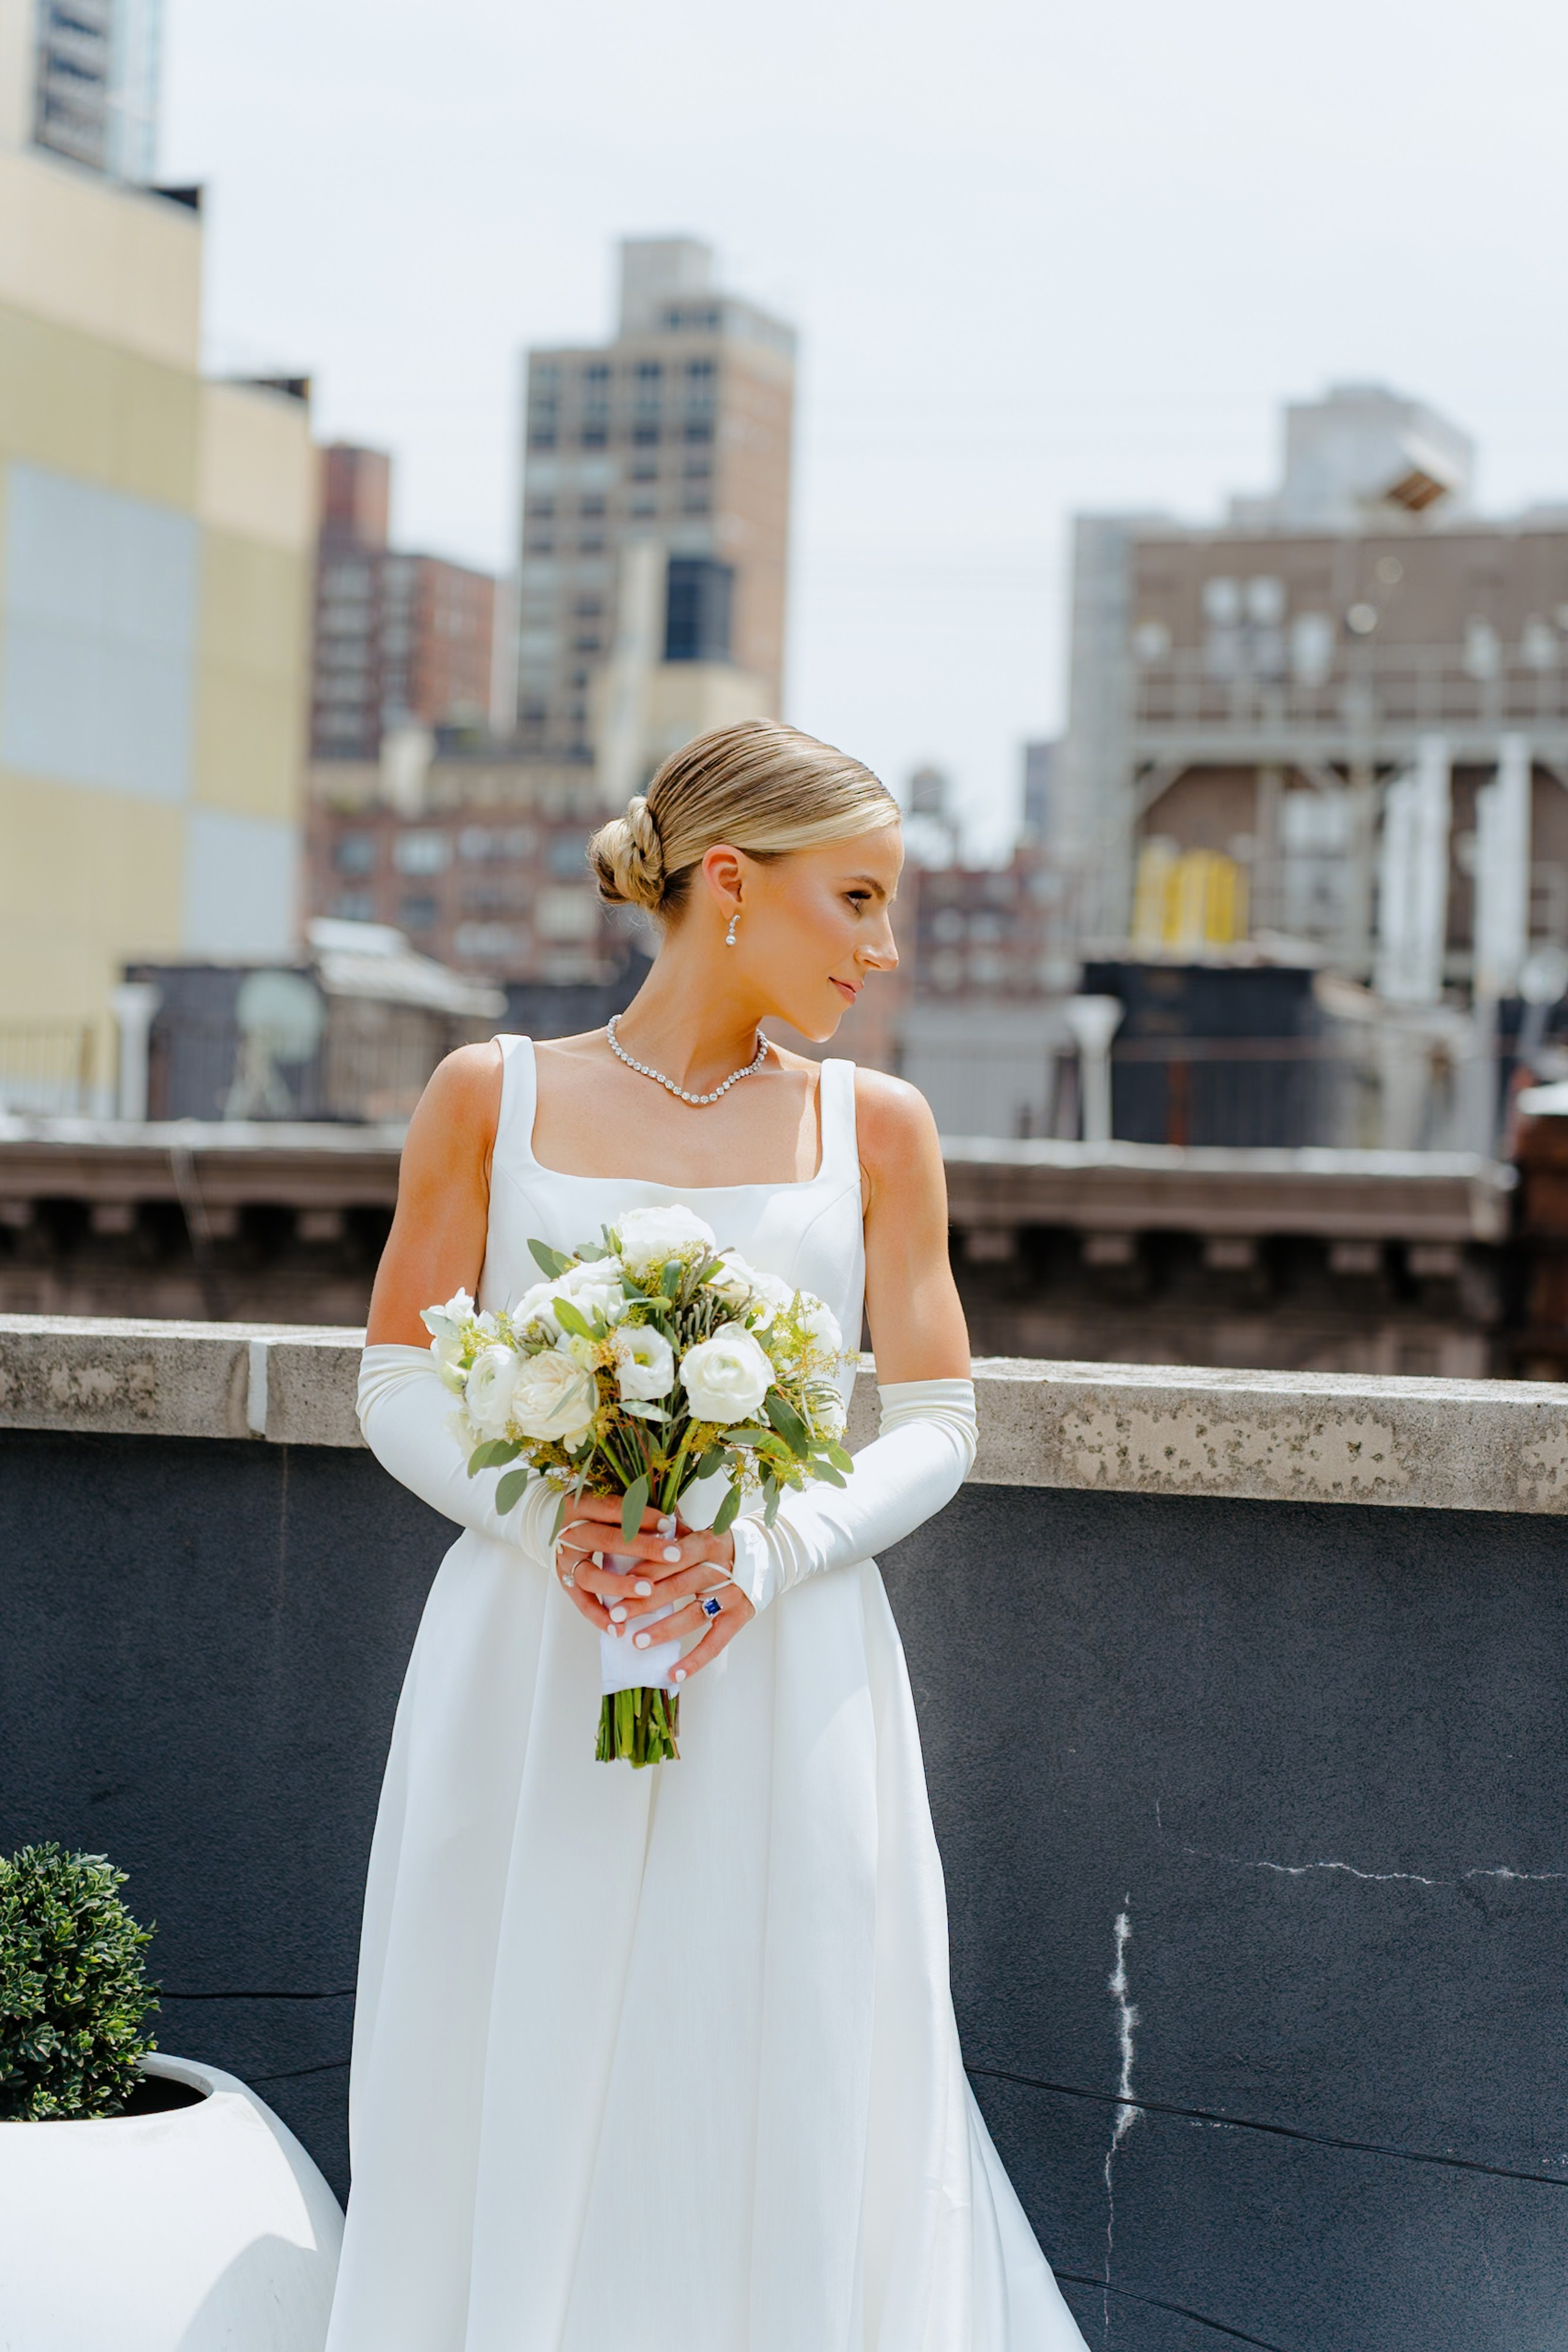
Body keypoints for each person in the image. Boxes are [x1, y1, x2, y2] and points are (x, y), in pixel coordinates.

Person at [326, 719, 1088, 2351]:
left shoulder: (877, 1128)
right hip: (539, 1656)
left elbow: (944, 1422)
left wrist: (774, 1550)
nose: (881, 953)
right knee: (513, 2027)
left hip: (784, 1664)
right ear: (729, 887)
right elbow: (396, 1379)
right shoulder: (490, 1096)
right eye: (859, 902)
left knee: (790, 2047)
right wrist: (547, 1522)